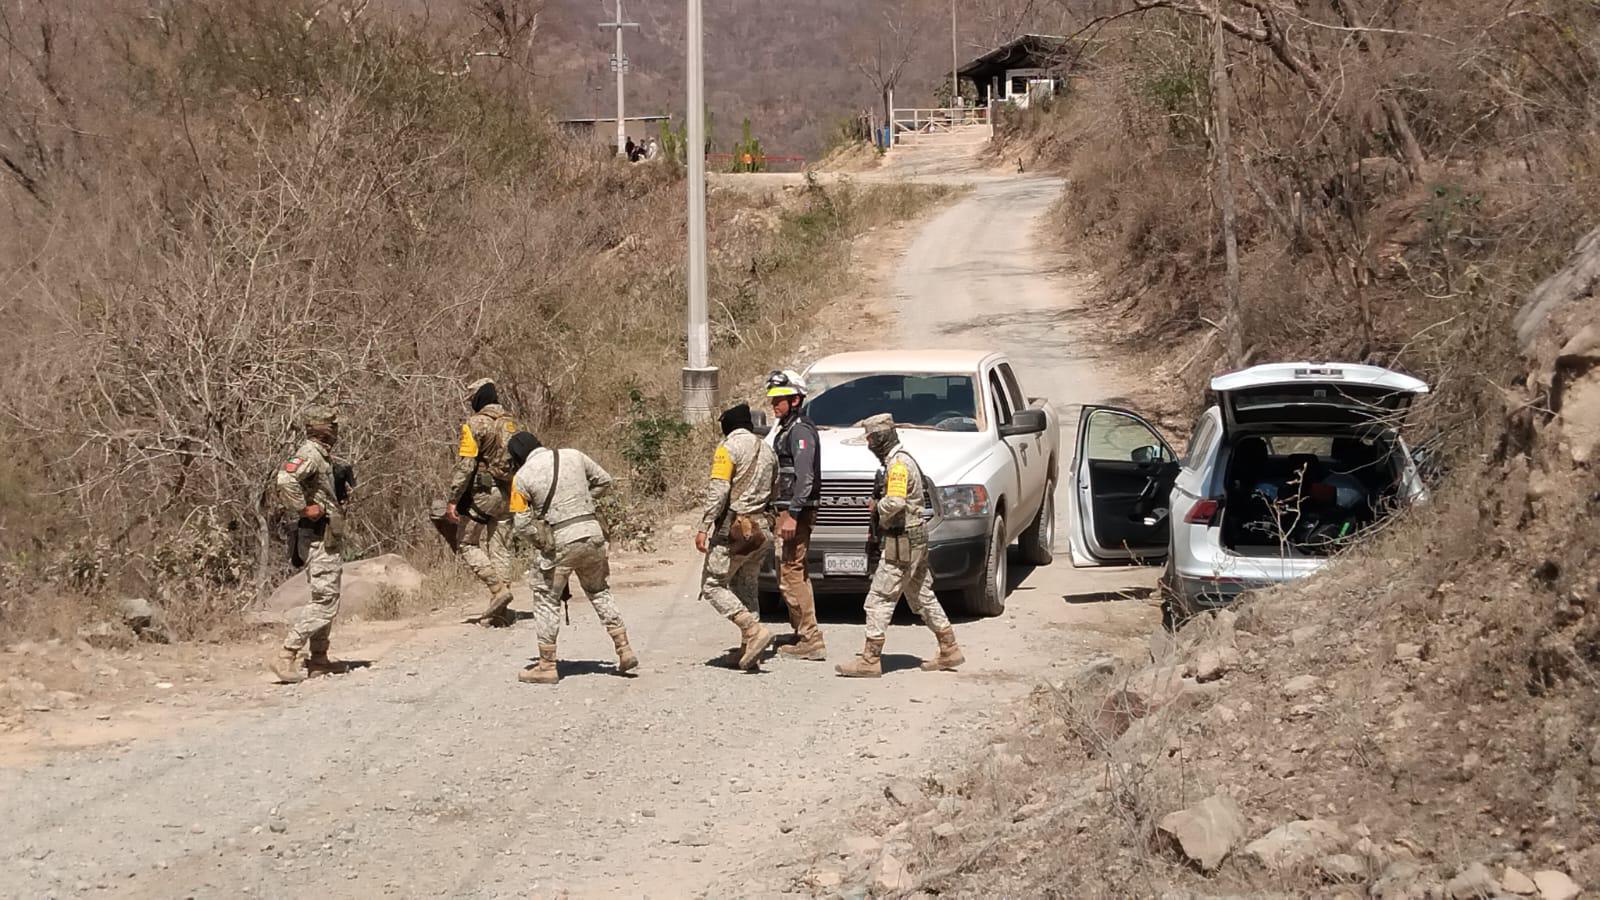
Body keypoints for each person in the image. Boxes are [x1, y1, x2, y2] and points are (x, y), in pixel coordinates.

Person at [836, 414, 964, 678]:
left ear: (880, 438)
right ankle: (949, 646)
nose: (869, 445)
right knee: (919, 594)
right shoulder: (900, 460)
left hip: (902, 540)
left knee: (879, 598)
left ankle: (870, 659)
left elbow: (895, 502)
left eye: (871, 439)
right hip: (914, 538)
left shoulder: (897, 465)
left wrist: (876, 508)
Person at [506, 431, 638, 685]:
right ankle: (624, 649)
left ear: (518, 457)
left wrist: (542, 541)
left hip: (560, 541)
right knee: (599, 591)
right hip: (593, 533)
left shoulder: (521, 478)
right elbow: (604, 480)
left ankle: (546, 665)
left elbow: (521, 525)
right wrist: (583, 501)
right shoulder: (573, 455)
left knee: (546, 598)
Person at [269, 404, 352, 683]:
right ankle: (286, 653)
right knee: (325, 601)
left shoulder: (323, 457)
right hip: (318, 537)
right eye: (333, 424)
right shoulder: (309, 454)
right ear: (323, 428)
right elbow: (285, 479)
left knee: (328, 596)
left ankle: (319, 659)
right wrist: (304, 508)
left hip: (328, 537)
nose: (337, 429)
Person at [695, 402, 778, 671]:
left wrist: (704, 525)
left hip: (734, 530)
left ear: (727, 426)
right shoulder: (768, 450)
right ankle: (749, 649)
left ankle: (752, 630)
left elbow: (719, 491)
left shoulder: (727, 449)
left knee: (712, 584)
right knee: (747, 584)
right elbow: (774, 491)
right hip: (761, 529)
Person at [444, 378, 521, 627]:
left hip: (482, 495)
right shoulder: (513, 422)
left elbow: (466, 465)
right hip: (510, 494)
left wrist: (454, 497)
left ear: (478, 398)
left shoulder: (474, 424)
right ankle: (500, 612)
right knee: (501, 548)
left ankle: (497, 589)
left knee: (466, 544)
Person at [765, 369, 826, 660]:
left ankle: (810, 639)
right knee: (790, 572)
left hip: (796, 514)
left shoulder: (800, 429)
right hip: (788, 511)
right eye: (772, 399)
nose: (774, 404)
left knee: (791, 573)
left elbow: (805, 478)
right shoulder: (786, 428)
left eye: (780, 399)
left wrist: (792, 514)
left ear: (796, 400)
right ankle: (802, 631)